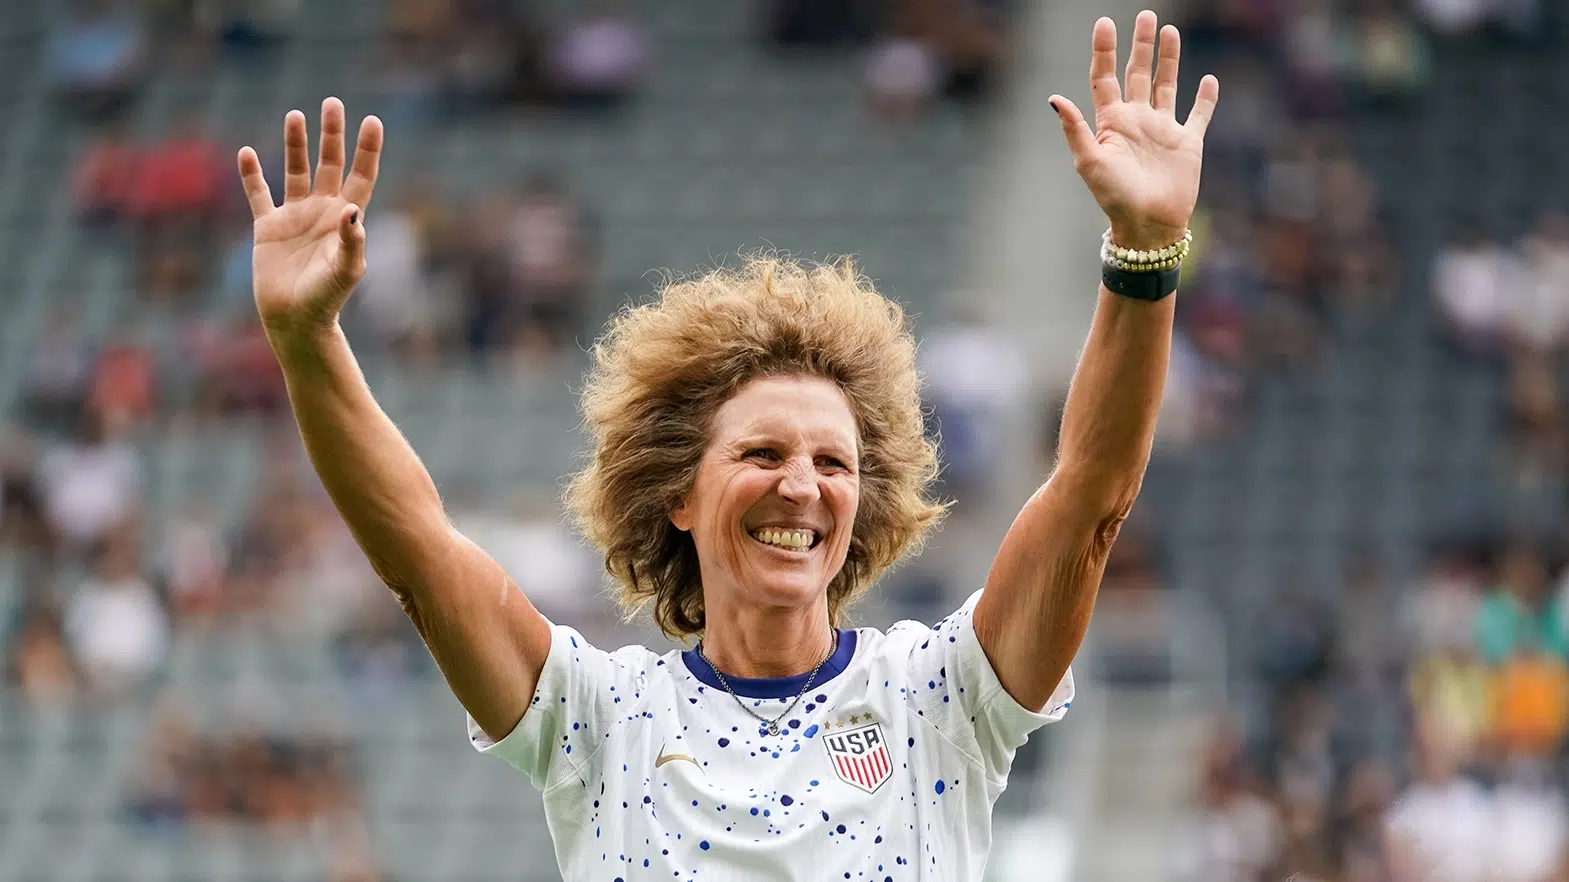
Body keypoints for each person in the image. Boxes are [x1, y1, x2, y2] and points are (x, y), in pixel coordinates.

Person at [234, 10, 1217, 879]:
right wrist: (308, 342)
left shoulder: (940, 700)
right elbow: (417, 549)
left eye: (835, 463)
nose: (802, 486)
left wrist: (1143, 252)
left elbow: (1088, 499)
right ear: (678, 494)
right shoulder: (601, 720)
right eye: (762, 454)